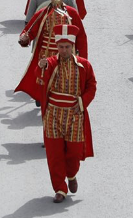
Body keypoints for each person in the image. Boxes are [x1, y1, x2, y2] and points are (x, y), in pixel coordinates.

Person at [36, 27, 96, 203]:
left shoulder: (84, 65)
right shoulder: (51, 63)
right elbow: (40, 79)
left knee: (74, 152)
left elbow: (92, 85)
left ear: (73, 46)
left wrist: (82, 102)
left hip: (75, 114)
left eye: (67, 47)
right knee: (54, 154)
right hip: (53, 114)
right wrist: (41, 67)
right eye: (61, 47)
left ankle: (71, 174)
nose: (63, 50)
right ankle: (60, 189)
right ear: (57, 47)